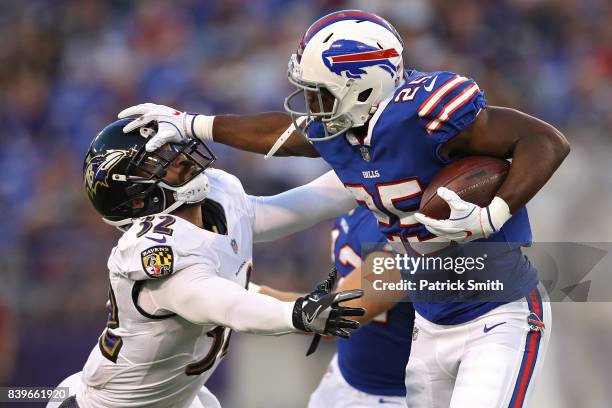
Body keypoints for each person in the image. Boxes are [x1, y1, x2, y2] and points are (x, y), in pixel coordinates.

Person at [119, 9, 570, 407]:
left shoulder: (424, 114)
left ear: (363, 87)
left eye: (321, 95)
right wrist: (193, 124)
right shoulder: (354, 140)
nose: (312, 109)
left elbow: (545, 140)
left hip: (497, 313)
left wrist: (495, 212)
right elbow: (285, 136)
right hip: (430, 328)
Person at [49, 118, 366, 408]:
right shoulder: (156, 250)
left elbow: (303, 204)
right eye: (155, 162)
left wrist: (380, 170)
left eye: (170, 149)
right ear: (135, 197)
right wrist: (294, 313)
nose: (179, 158)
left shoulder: (218, 196)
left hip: (181, 397)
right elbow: (227, 306)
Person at [253, 207, 415, 407]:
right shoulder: (358, 195)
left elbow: (333, 316)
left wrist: (243, 292)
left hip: (393, 395)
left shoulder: (413, 223)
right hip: (344, 374)